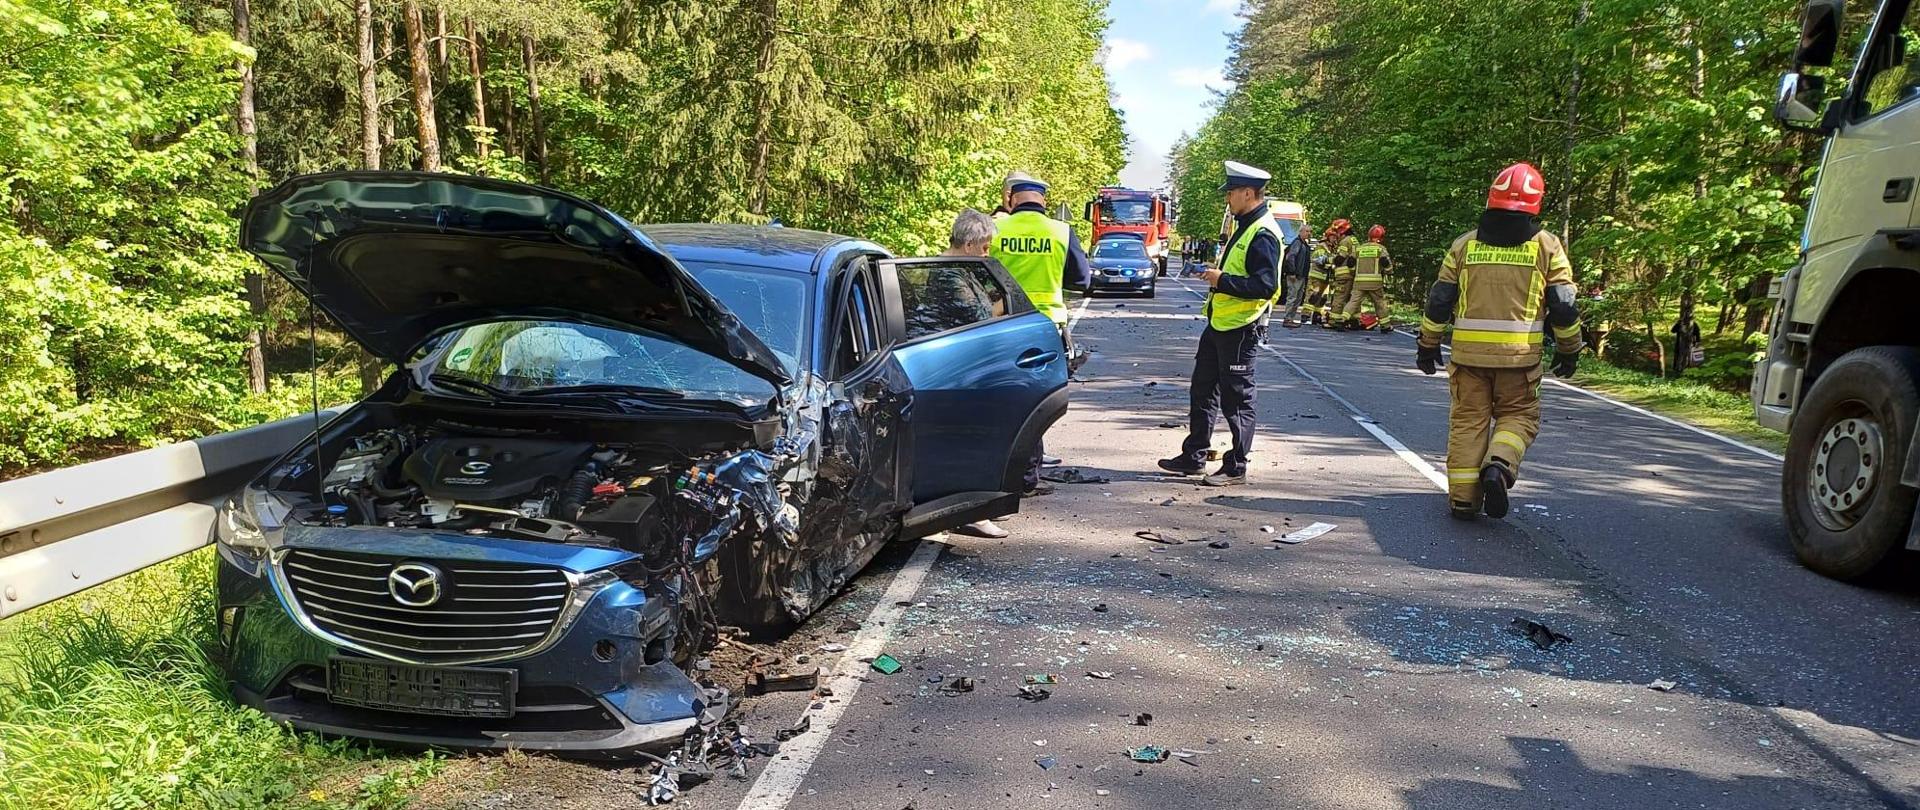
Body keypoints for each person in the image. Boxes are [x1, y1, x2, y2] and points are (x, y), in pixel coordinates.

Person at [1416, 162, 1583, 520]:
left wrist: (1428, 344)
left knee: (1468, 423)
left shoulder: (1464, 246)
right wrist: (1570, 349)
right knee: (1519, 416)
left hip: (1468, 359)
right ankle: (1499, 466)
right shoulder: (1546, 247)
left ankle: (1463, 498)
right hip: (1519, 361)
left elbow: (1439, 300)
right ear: (1536, 203)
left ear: (1492, 198)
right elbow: (1564, 306)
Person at [1158, 161, 1282, 487]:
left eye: (1230, 192)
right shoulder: (1243, 224)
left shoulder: (1263, 233)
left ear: (1246, 193)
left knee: (1237, 399)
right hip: (1220, 324)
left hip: (1241, 327)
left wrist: (1221, 280)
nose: (1227, 198)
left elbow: (1266, 286)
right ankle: (1194, 456)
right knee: (1203, 390)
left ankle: (1236, 466)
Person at [990, 171, 1090, 496]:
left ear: (1010, 198)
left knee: (1003, 398)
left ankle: (1009, 471)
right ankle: (1027, 475)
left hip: (1002, 324)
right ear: (1043, 199)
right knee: (1037, 399)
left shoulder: (996, 227)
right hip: (1047, 327)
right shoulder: (1060, 231)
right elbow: (1083, 280)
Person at [933, 209, 1014, 538]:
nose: (988, 252)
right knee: (966, 440)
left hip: (962, 367)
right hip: (955, 371)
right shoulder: (948, 275)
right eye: (985, 246)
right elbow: (981, 314)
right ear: (969, 244)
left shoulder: (965, 270)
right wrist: (1002, 306)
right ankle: (967, 512)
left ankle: (970, 508)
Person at [1341, 224, 1393, 331]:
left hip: (1359, 282)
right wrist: (1389, 272)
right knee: (1380, 303)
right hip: (1375, 283)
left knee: (1353, 302)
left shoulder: (1360, 249)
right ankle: (1385, 326)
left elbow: (1351, 263)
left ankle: (1342, 320)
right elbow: (1387, 265)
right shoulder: (1381, 249)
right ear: (1381, 237)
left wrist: (1353, 272)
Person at [1322, 219, 1358, 327]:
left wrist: (1328, 260)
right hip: (1352, 275)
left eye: (1336, 232)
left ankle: (1334, 321)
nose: (1336, 234)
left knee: (1339, 298)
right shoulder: (1354, 240)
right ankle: (1354, 320)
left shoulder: (1345, 241)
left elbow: (1340, 258)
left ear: (1341, 231)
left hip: (1343, 275)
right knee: (1351, 299)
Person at [1303, 227, 1334, 325]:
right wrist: (1332, 263)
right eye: (1333, 237)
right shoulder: (1321, 246)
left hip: (1325, 278)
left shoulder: (1331, 248)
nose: (1335, 239)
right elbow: (1319, 260)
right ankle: (1305, 315)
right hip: (1317, 276)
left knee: (1323, 298)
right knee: (1313, 296)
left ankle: (1317, 315)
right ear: (1328, 237)